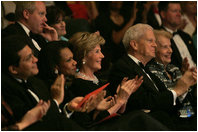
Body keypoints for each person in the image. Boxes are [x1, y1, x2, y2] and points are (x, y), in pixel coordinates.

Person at [68, 32, 169, 130]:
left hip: (115, 124)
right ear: (84, 55)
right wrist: (120, 100)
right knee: (140, 117)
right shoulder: (79, 85)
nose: (102, 56)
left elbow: (119, 111)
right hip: (103, 128)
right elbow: (97, 119)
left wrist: (125, 95)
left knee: (160, 116)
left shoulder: (100, 81)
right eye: (97, 51)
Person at [108, 24, 197, 130]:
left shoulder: (145, 68)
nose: (155, 45)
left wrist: (184, 86)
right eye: (150, 41)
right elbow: (143, 102)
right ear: (134, 45)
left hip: (167, 119)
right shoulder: (123, 67)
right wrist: (177, 90)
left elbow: (163, 96)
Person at [1, 35, 85, 130]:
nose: (35, 59)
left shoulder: (36, 82)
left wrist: (68, 108)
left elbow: (57, 118)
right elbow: (34, 126)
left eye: (33, 55)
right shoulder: (6, 91)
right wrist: (56, 101)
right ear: (13, 69)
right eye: (29, 58)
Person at [147, 30, 197, 130]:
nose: (170, 50)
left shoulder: (174, 68)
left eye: (170, 46)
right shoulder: (150, 71)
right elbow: (170, 105)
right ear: (154, 49)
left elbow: (189, 100)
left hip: (189, 116)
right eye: (165, 47)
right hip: (175, 122)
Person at [95, 1, 138, 71]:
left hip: (129, 56)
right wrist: (132, 20)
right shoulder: (102, 18)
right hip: (112, 58)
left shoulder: (125, 16)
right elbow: (116, 39)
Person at [158, 1, 197, 70]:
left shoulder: (186, 36)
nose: (179, 14)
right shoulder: (158, 36)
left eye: (180, 11)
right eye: (175, 11)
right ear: (163, 14)